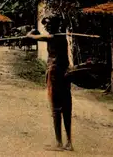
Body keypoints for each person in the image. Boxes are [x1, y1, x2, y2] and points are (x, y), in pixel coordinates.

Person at [27, 16, 73, 151]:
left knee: (56, 108)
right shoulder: (62, 39)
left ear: (55, 26)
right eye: (45, 25)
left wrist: (31, 32)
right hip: (64, 74)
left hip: (54, 74)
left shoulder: (53, 38)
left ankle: (59, 143)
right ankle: (69, 142)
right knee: (66, 107)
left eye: (48, 24)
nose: (46, 27)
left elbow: (33, 37)